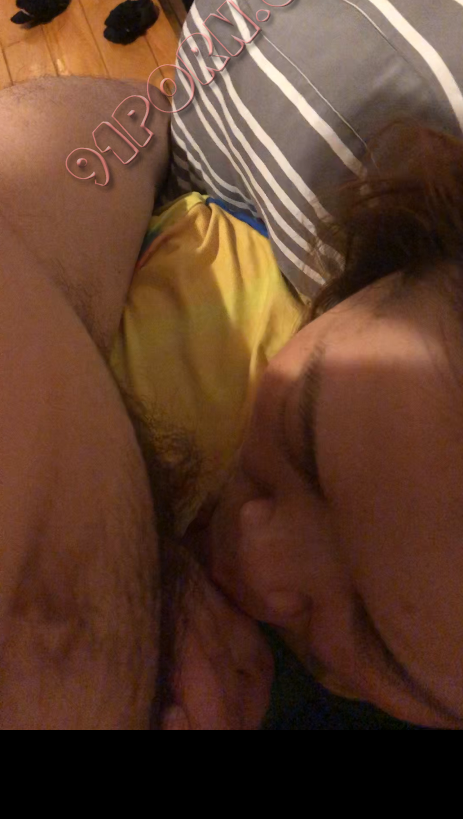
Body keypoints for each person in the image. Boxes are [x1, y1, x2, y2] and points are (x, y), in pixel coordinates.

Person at [1, 74, 463, 730]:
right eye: (301, 442)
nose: (252, 552)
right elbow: (133, 117)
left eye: (377, 644)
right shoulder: (219, 273)